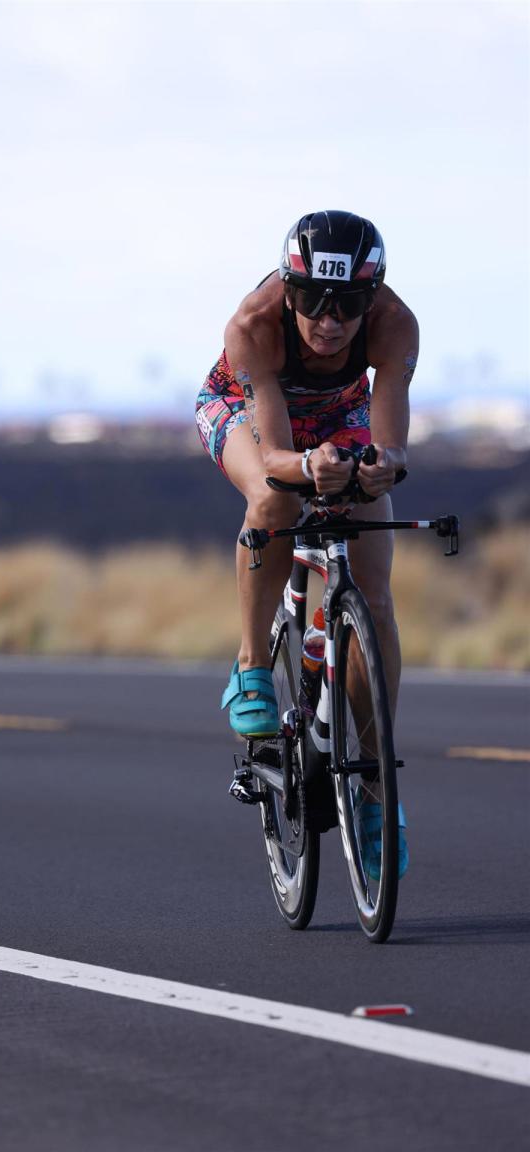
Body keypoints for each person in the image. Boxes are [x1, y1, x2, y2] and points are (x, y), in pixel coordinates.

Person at [195, 209, 418, 877]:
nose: (330, 319)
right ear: (288, 291)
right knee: (276, 499)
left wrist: (382, 463)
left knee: (375, 598)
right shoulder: (253, 326)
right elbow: (273, 457)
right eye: (314, 300)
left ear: (371, 298)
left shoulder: (395, 324)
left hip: (338, 413)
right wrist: (307, 465)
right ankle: (250, 667)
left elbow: (391, 442)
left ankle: (375, 791)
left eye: (348, 303)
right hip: (244, 411)